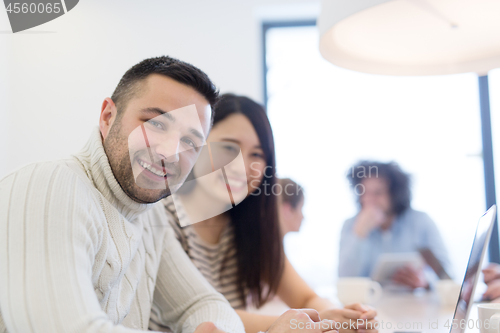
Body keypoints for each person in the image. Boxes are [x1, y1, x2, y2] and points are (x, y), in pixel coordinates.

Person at [0, 57, 335, 333]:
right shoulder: (48, 185)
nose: (171, 152)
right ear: (107, 116)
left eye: (190, 141)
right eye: (156, 123)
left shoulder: (147, 214)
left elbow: (203, 305)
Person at [157, 94, 377, 333]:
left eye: (257, 155)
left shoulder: (249, 227)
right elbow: (200, 315)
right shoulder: (162, 219)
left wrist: (338, 315)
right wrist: (316, 321)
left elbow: (305, 299)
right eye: (229, 147)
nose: (242, 166)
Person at [339, 160, 450, 289]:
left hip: (415, 302)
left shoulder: (420, 222)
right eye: (364, 192)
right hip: (370, 304)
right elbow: (344, 280)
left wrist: (425, 281)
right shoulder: (350, 225)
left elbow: (446, 276)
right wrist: (359, 234)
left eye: (378, 193)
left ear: (395, 194)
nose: (369, 200)